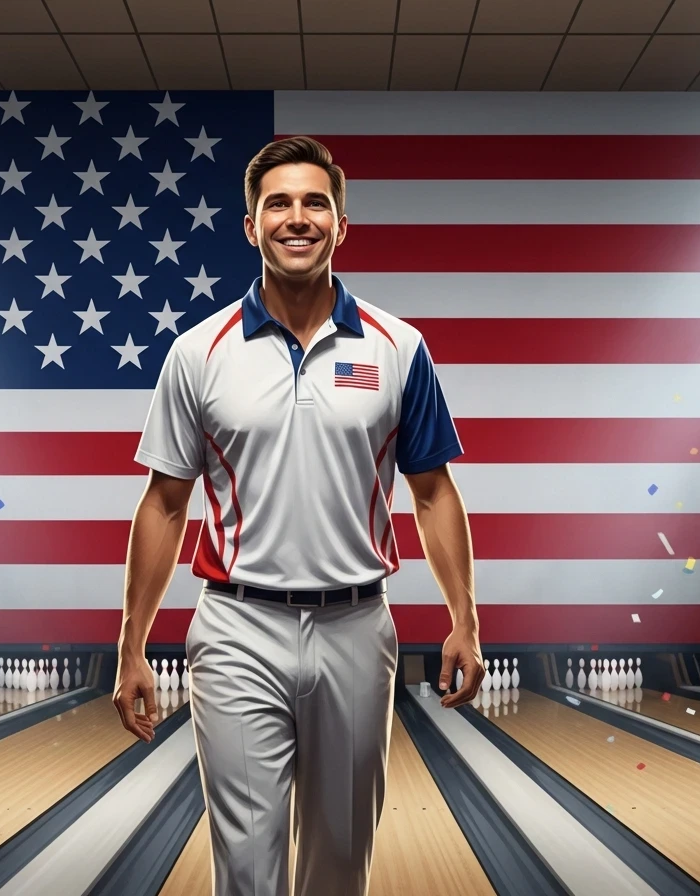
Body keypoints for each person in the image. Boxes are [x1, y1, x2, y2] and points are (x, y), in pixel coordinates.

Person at [114, 136, 485, 896]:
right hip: (237, 628)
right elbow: (165, 502)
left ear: (341, 225)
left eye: (315, 202)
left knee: (340, 869)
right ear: (249, 226)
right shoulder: (198, 352)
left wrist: (465, 620)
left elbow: (433, 491)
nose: (297, 217)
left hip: (357, 628)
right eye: (277, 203)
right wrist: (131, 647)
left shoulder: (398, 347)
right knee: (247, 869)